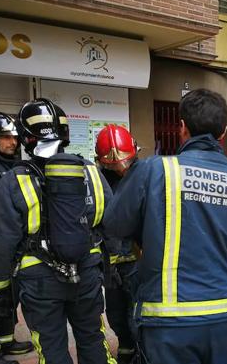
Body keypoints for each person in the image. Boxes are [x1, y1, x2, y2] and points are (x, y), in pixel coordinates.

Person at [102, 89, 227, 364]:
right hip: (225, 319)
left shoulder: (154, 171)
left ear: (182, 128)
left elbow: (114, 225)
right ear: (223, 132)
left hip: (168, 322)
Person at [0, 99, 115, 363]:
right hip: (86, 273)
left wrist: (0, 289)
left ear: (26, 137)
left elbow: (2, 242)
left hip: (39, 281)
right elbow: (111, 223)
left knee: (52, 350)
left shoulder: (13, 181)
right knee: (94, 340)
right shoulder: (92, 173)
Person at [95, 124, 139, 363]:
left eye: (124, 162)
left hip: (136, 262)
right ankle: (126, 348)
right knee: (115, 314)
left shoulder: (142, 177)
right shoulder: (96, 179)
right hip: (109, 264)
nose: (121, 168)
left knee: (136, 314)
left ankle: (141, 354)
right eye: (113, 165)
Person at [0, 113, 33, 364]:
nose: (13, 143)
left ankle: (7, 342)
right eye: (6, 138)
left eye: (15, 138)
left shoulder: (13, 166)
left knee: (8, 296)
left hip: (12, 243)